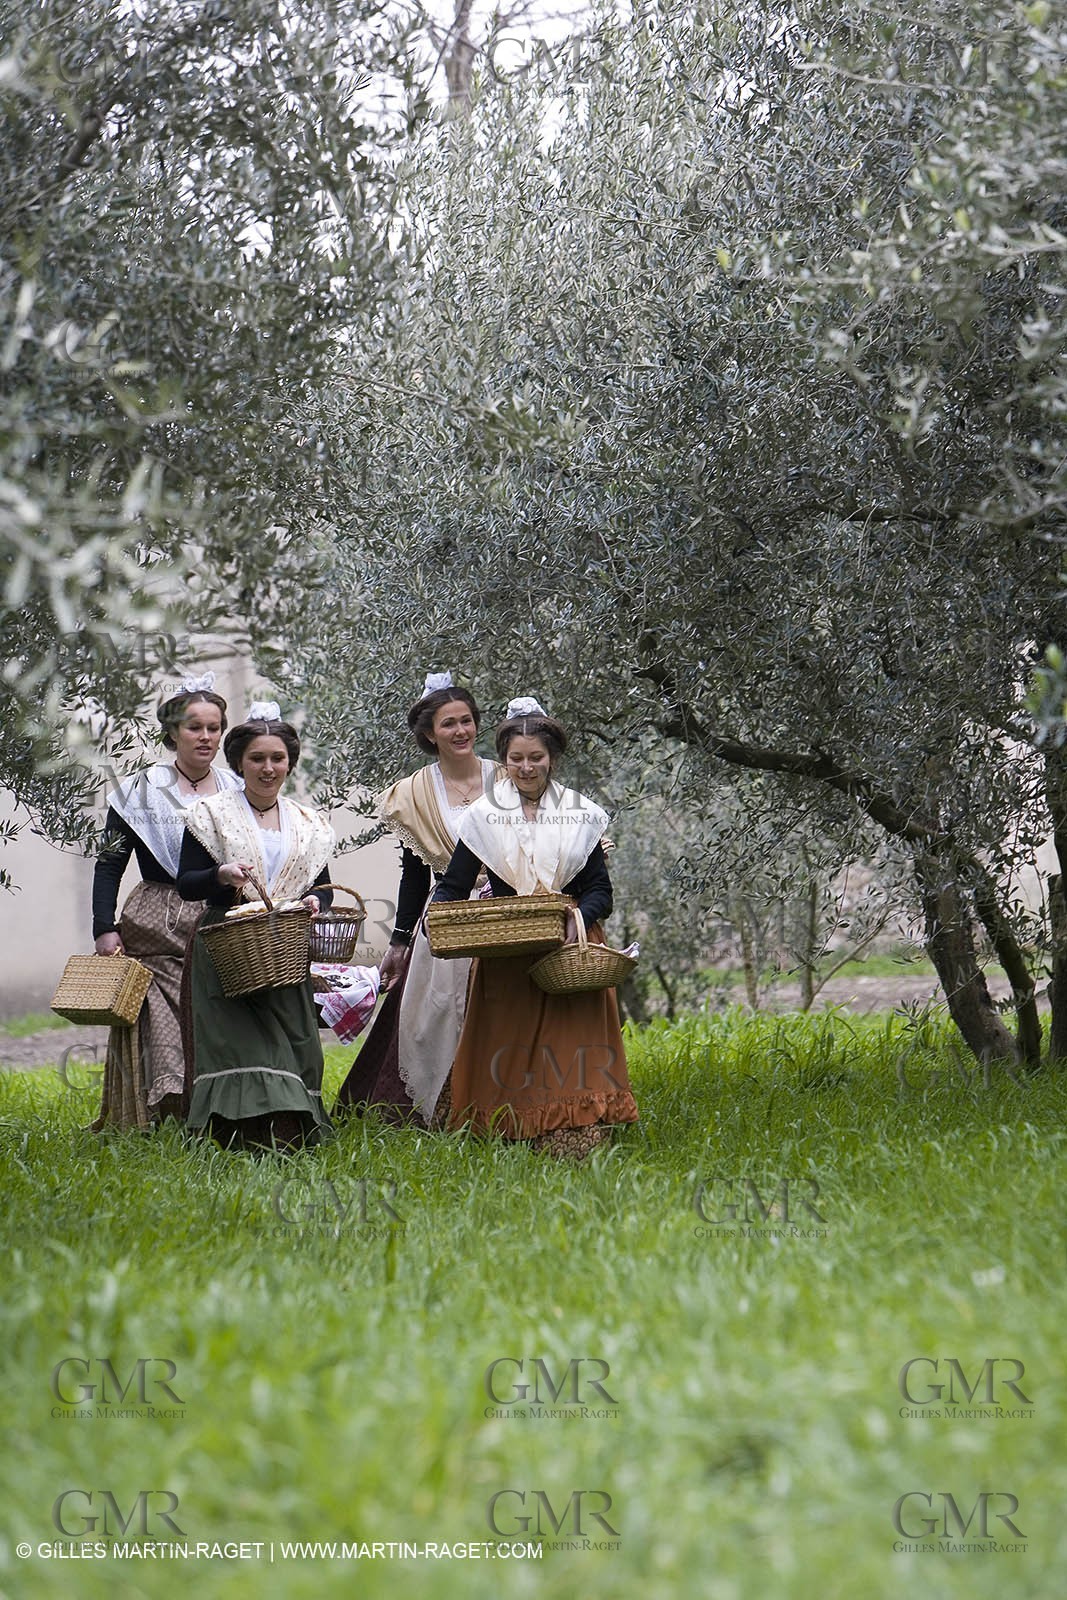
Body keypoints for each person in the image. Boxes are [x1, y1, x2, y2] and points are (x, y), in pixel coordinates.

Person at [430, 696, 639, 1158]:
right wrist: (438, 918)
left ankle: (574, 1131)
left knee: (570, 1048)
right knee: (512, 1047)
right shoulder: (483, 818)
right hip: (509, 951)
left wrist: (578, 919)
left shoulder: (580, 816)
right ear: (503, 761)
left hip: (569, 950)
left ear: (553, 759)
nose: (526, 768)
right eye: (516, 759)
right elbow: (454, 885)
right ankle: (511, 1127)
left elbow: (599, 891)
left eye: (536, 758)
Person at [336, 672, 495, 1124]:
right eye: (449, 724)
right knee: (435, 1016)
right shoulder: (412, 794)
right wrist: (400, 940)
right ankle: (441, 1107)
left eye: (466, 720)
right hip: (446, 915)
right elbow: (413, 874)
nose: (461, 731)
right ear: (429, 733)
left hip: (506, 913)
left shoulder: (505, 777)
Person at [176, 702, 335, 1149]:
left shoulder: (309, 825)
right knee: (241, 1043)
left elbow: (323, 886)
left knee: (291, 1040)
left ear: (290, 762)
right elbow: (187, 884)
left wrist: (313, 901)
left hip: (282, 949)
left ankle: (290, 1134)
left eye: (277, 758)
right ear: (239, 763)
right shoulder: (210, 816)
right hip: (228, 947)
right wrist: (220, 876)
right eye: (257, 759)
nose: (268, 768)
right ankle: (235, 1136)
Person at [91, 673, 242, 1130]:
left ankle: (220, 1106)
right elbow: (109, 864)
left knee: (215, 1010)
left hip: (220, 915)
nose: (206, 737)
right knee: (158, 1014)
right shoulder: (140, 790)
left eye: (214, 728)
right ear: (173, 731)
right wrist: (104, 925)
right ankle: (165, 1107)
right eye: (194, 727)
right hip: (154, 918)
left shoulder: (237, 787)